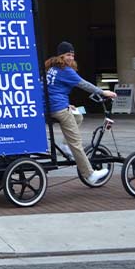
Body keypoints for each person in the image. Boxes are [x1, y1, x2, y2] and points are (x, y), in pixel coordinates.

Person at [45, 41, 117, 184]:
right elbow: (83, 84)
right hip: (59, 109)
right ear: (61, 56)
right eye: (67, 55)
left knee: (78, 114)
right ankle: (89, 174)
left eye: (72, 55)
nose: (71, 58)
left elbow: (52, 89)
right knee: (76, 143)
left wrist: (66, 104)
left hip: (51, 106)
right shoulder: (65, 70)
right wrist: (103, 92)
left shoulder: (53, 68)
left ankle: (66, 145)